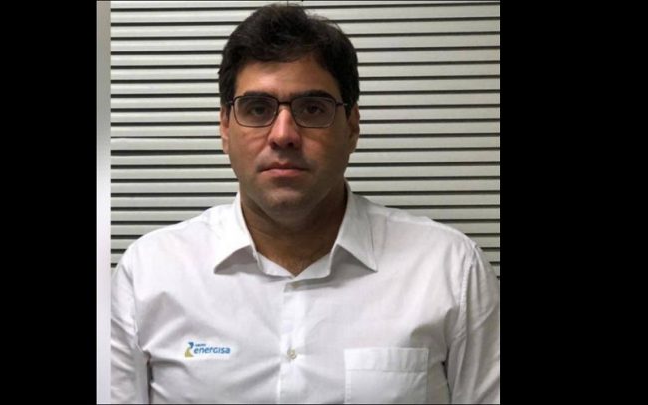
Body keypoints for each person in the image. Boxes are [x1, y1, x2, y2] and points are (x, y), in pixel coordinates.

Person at [111, 3, 499, 404]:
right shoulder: (150, 274)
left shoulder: (449, 271)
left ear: (352, 127)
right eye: (257, 109)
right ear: (225, 128)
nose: (283, 135)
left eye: (312, 109)